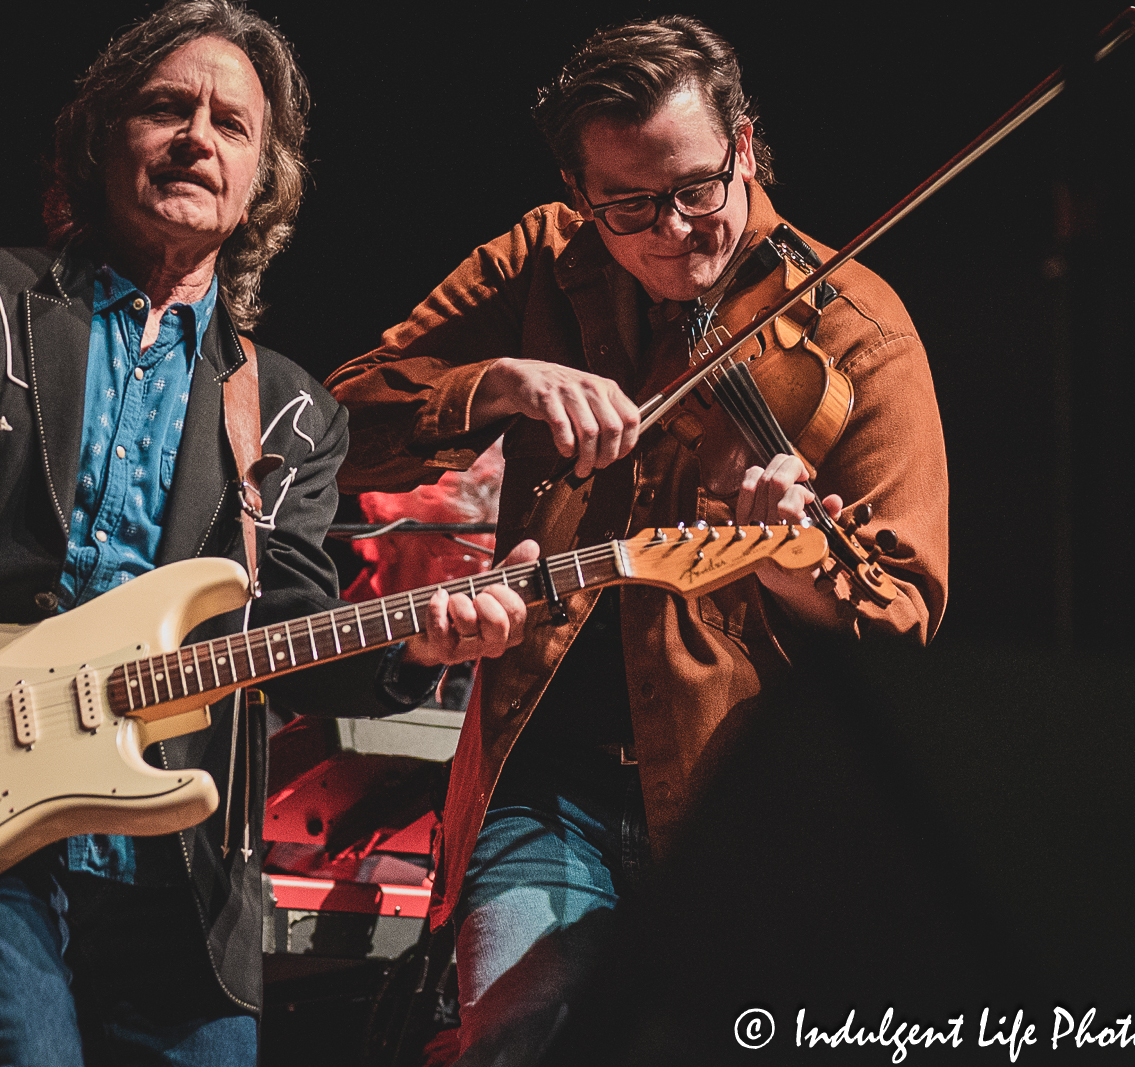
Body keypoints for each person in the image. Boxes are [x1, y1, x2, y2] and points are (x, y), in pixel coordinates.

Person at [0, 2, 524, 1063]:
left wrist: (414, 638)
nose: (198, 137)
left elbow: (283, 632)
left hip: (179, 883)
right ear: (101, 137)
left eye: (232, 125)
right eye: (167, 107)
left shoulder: (289, 410)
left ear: (262, 183)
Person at [325, 15, 949, 1063]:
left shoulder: (854, 330)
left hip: (742, 807)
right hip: (542, 787)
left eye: (697, 187)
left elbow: (902, 615)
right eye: (627, 205)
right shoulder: (540, 264)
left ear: (743, 148)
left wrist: (789, 555)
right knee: (516, 1038)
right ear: (580, 193)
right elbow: (334, 428)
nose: (673, 232)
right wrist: (496, 385)